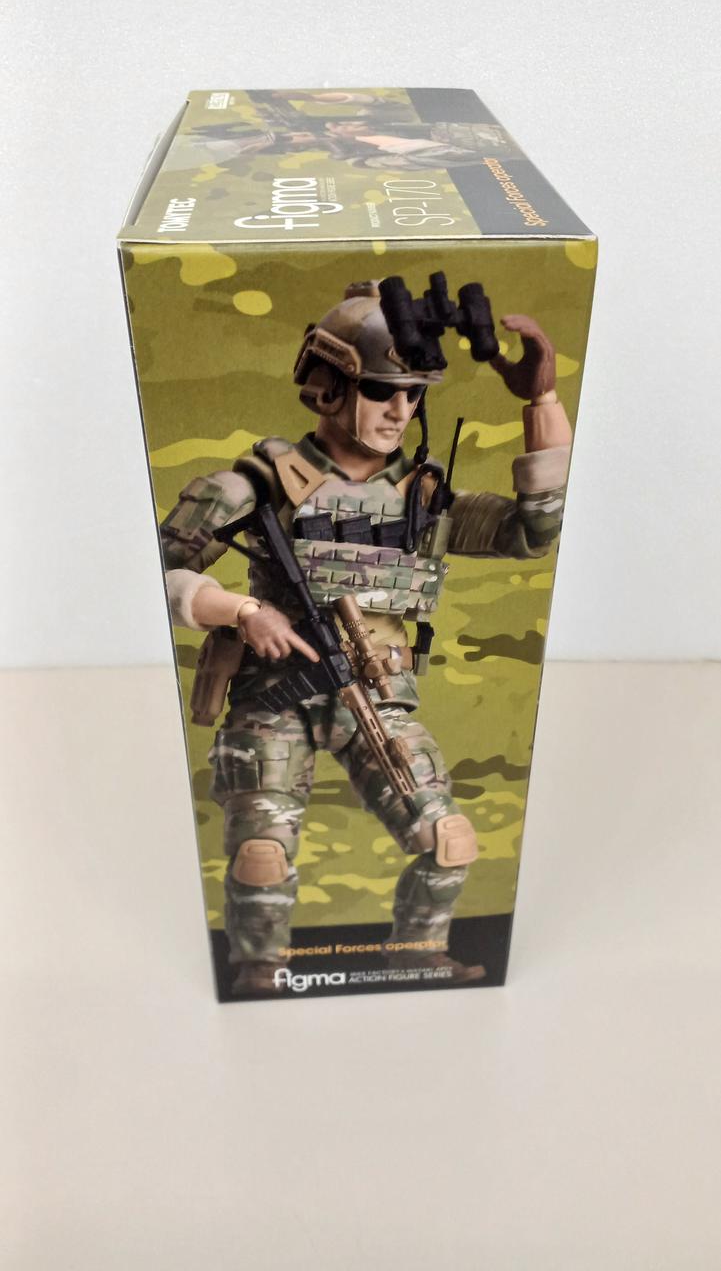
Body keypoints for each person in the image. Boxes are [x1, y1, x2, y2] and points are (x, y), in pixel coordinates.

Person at [160, 280, 572, 995]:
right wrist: (240, 610)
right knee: (261, 853)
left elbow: (532, 532)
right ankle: (260, 972)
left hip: (375, 696)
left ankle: (416, 952)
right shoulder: (253, 485)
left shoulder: (420, 497)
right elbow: (155, 571)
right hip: (275, 697)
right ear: (328, 388)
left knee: (449, 839)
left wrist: (541, 403)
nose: (400, 411)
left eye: (413, 395)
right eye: (382, 390)